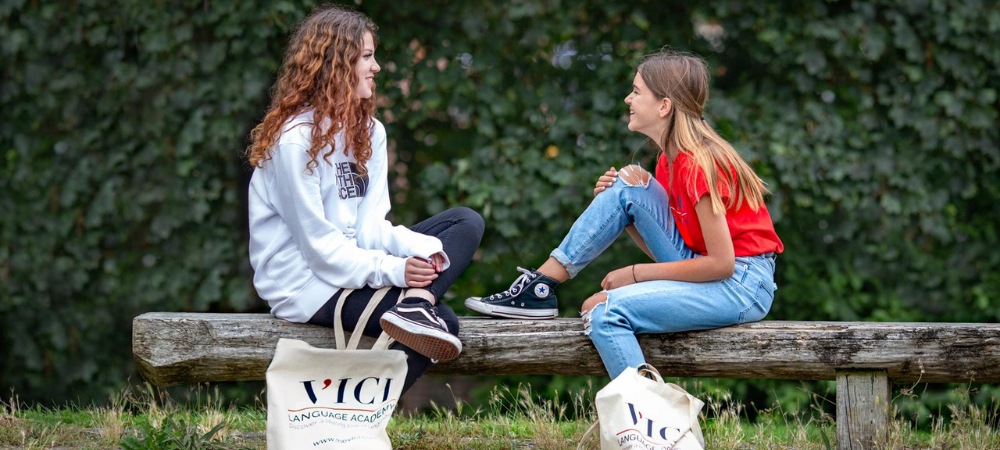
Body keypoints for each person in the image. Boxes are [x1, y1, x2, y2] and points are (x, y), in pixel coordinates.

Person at [465, 50, 783, 378]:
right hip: (713, 271)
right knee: (627, 182)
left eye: (637, 91)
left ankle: (647, 419)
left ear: (664, 106)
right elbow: (679, 258)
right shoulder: (669, 161)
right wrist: (623, 213)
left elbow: (720, 264)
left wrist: (633, 274)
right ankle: (540, 287)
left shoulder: (698, 164)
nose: (628, 98)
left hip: (741, 285)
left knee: (602, 310)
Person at [246, 5, 484, 392]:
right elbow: (320, 250)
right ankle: (348, 421)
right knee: (446, 326)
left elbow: (371, 226)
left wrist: (423, 253)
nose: (376, 68)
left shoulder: (370, 132)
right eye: (367, 57)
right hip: (304, 285)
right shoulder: (294, 142)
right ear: (335, 64)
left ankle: (416, 304)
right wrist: (395, 270)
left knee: (465, 223)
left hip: (351, 264)